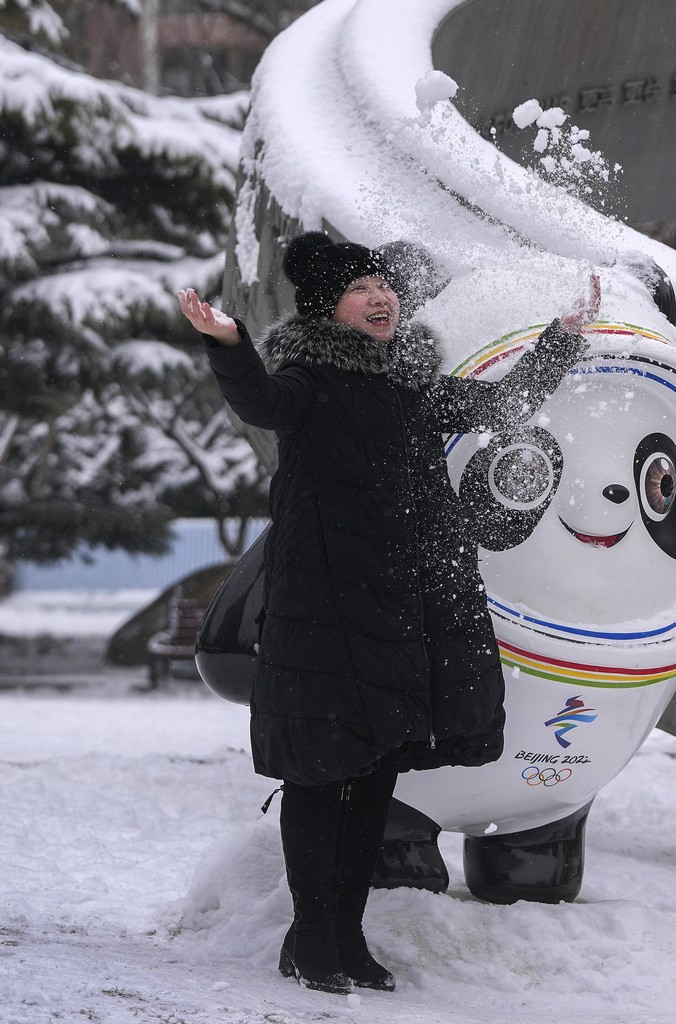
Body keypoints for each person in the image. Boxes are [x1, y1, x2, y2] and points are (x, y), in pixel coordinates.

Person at [177, 231, 594, 995]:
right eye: (360, 287)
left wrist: (558, 342)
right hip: (320, 611)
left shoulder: (411, 385)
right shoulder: (308, 380)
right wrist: (231, 345)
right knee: (316, 775)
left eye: (384, 284)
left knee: (372, 773)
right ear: (327, 308)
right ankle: (309, 938)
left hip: (396, 609)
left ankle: (346, 936)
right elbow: (261, 401)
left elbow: (502, 404)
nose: (381, 297)